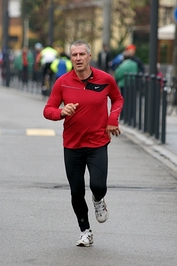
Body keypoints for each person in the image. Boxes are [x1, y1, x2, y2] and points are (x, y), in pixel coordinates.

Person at [43, 40, 124, 247]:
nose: (77, 58)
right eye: (74, 55)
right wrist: (61, 112)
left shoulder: (105, 79)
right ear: (70, 58)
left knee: (98, 185)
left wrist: (112, 120)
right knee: (76, 191)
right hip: (72, 145)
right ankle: (85, 231)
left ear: (89, 56)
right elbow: (48, 110)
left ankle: (99, 200)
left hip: (97, 142)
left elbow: (117, 99)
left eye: (81, 54)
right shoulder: (62, 82)